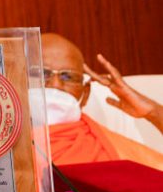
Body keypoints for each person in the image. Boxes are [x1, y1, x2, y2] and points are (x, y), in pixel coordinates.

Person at [41, 33, 163, 170]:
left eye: (68, 77)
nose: (56, 85)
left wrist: (153, 112)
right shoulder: (20, 146)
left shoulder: (111, 146)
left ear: (85, 93)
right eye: (42, 74)